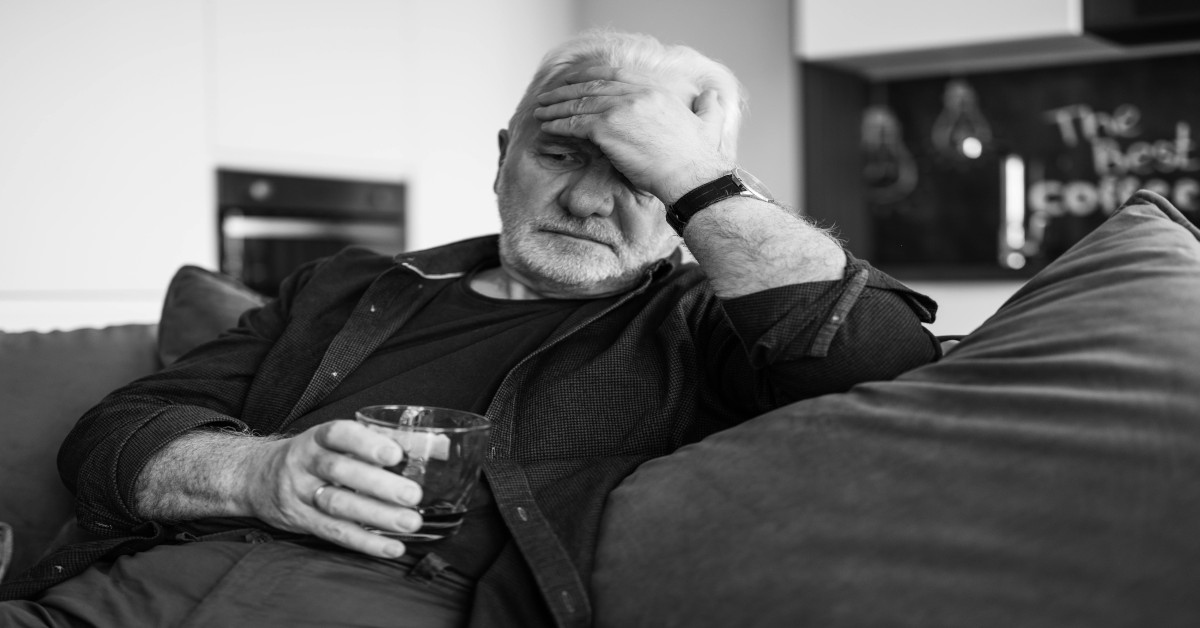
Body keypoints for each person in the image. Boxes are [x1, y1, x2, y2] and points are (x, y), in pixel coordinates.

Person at [0, 29, 938, 627]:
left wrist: (697, 172)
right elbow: (114, 434)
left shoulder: (702, 324)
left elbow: (886, 368)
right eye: (561, 154)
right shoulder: (348, 287)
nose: (585, 199)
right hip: (109, 601)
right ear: (504, 158)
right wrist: (258, 474)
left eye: (640, 177)